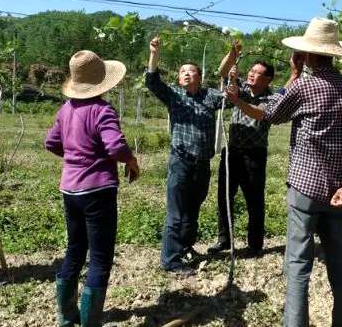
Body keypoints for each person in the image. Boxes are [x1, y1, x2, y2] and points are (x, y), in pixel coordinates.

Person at [226, 17, 342, 327]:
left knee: (298, 264)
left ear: (305, 54)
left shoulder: (306, 85)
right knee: (341, 263)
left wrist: (293, 74)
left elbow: (271, 113)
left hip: (305, 189)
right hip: (339, 193)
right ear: (334, 54)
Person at [45, 50, 140, 326]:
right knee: (99, 258)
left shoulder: (65, 110)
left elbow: (51, 143)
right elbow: (116, 146)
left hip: (70, 190)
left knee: (75, 249)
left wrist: (76, 158)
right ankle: (90, 322)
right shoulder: (103, 110)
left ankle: (66, 317)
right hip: (98, 191)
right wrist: (131, 160)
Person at [146, 36, 239, 275]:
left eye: (191, 71)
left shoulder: (210, 97)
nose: (186, 74)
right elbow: (153, 81)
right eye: (182, 71)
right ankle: (171, 259)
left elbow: (232, 97)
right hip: (181, 162)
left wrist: (232, 65)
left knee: (193, 210)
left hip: (202, 164)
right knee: (177, 213)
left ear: (200, 76)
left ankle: (186, 248)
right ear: (179, 78)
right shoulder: (174, 96)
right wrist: (154, 55)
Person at [207, 57, 275, 257]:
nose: (252, 74)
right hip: (232, 151)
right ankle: (224, 240)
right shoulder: (241, 88)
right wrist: (231, 60)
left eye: (258, 72)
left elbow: (258, 114)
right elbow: (222, 72)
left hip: (254, 155)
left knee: (254, 200)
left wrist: (237, 99)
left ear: (268, 79)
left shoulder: (270, 99)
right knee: (224, 197)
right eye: (251, 71)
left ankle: (255, 245)